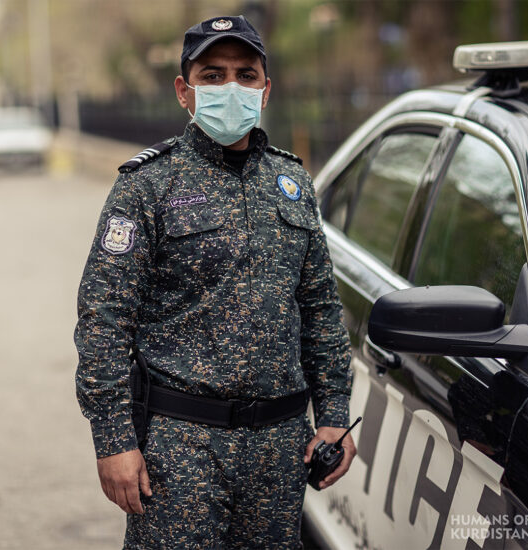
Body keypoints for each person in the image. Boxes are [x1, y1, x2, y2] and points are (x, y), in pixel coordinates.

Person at [75, 14, 356, 549]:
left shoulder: (291, 181)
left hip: (279, 449)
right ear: (185, 90)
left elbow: (319, 307)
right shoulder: (147, 187)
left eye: (245, 75)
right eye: (213, 74)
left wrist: (335, 415)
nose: (232, 87)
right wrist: (112, 439)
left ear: (265, 89)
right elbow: (103, 320)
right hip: (181, 448)